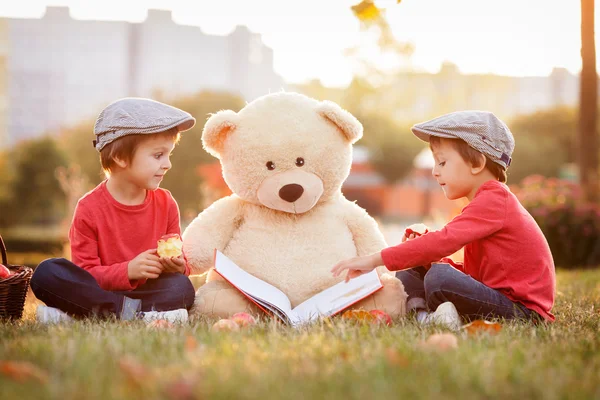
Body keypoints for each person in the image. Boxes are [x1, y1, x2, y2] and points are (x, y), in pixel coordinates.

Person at [331, 111, 555, 329]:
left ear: (477, 163)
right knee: (419, 265)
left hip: (523, 312)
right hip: (497, 297)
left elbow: (445, 241)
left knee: (440, 276)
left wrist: (373, 260)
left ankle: (428, 315)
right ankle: (423, 317)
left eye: (442, 163)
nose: (435, 172)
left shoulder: (495, 200)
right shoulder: (485, 201)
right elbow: (476, 275)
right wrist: (425, 257)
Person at [30, 98, 197, 323]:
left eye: (169, 154)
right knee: (46, 273)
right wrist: (127, 271)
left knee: (182, 288)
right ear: (119, 157)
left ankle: (79, 314)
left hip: (143, 292)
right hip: (96, 289)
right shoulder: (88, 208)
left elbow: (179, 263)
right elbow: (85, 273)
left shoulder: (166, 203)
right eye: (158, 155)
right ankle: (134, 314)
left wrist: (178, 266)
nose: (167, 164)